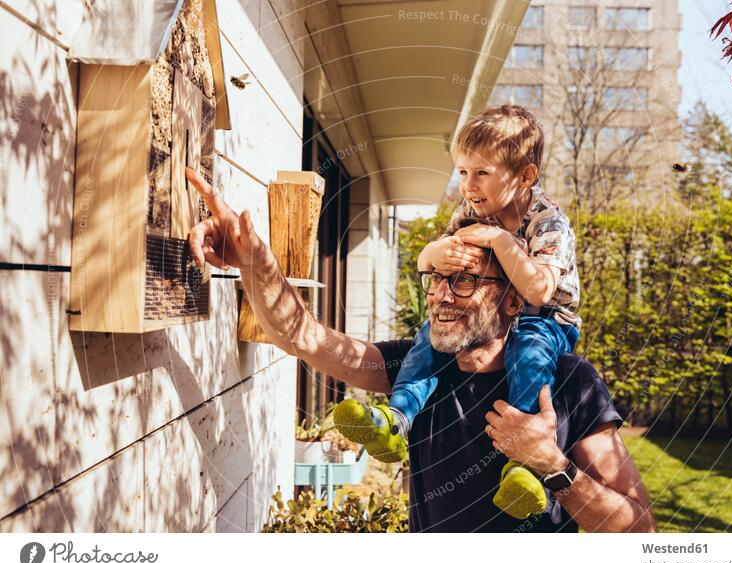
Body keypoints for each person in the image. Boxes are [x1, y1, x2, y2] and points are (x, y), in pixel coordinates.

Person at [184, 167, 657, 533]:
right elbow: (304, 337)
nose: (442, 296)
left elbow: (638, 528)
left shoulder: (570, 382)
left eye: (466, 280)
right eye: (436, 279)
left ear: (515, 299)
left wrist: (552, 466)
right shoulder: (422, 367)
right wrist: (254, 262)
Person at [333, 104, 581, 520]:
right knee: (429, 339)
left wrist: (501, 241)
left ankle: (522, 468)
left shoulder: (547, 221)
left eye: (482, 172)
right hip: (485, 316)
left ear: (525, 176)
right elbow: (431, 260)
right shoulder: (469, 213)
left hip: (544, 319)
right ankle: (397, 421)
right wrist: (432, 251)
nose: (468, 185)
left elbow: (539, 289)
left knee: (529, 353)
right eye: (463, 172)